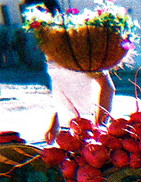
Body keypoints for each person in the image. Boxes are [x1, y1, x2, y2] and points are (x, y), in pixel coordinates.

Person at [26, 0, 116, 142]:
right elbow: (62, 88)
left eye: (36, 17)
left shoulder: (78, 45)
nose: (32, 24)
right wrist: (55, 123)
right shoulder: (50, 51)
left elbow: (108, 87)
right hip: (69, 132)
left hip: (90, 131)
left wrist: (99, 126)